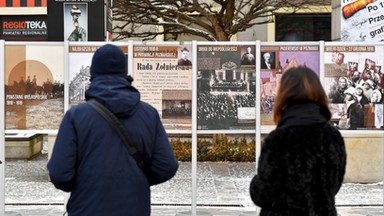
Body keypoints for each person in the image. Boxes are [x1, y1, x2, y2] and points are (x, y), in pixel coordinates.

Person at [47, 44, 179, 216]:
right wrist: (135, 180)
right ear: (124, 74)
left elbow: (60, 174)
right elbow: (166, 166)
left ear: (93, 75)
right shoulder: (149, 114)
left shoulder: (76, 116)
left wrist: (85, 185)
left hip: (87, 209)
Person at [249, 66, 346, 215]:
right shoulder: (333, 137)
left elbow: (263, 194)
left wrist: (255, 183)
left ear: (283, 95)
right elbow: (333, 187)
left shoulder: (278, 140)